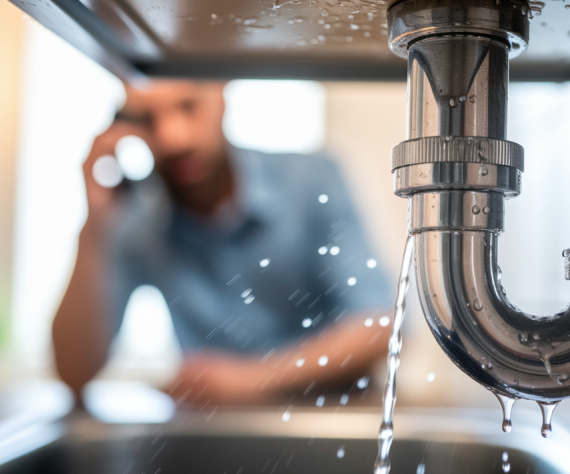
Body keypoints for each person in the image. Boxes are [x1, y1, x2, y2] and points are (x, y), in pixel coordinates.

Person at [52, 80, 392, 407]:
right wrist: (93, 227)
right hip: (211, 436)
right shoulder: (135, 222)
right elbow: (74, 374)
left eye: (188, 106)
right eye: (146, 119)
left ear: (221, 93)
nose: (173, 137)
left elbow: (378, 325)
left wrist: (249, 380)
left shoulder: (310, 181)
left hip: (330, 429)